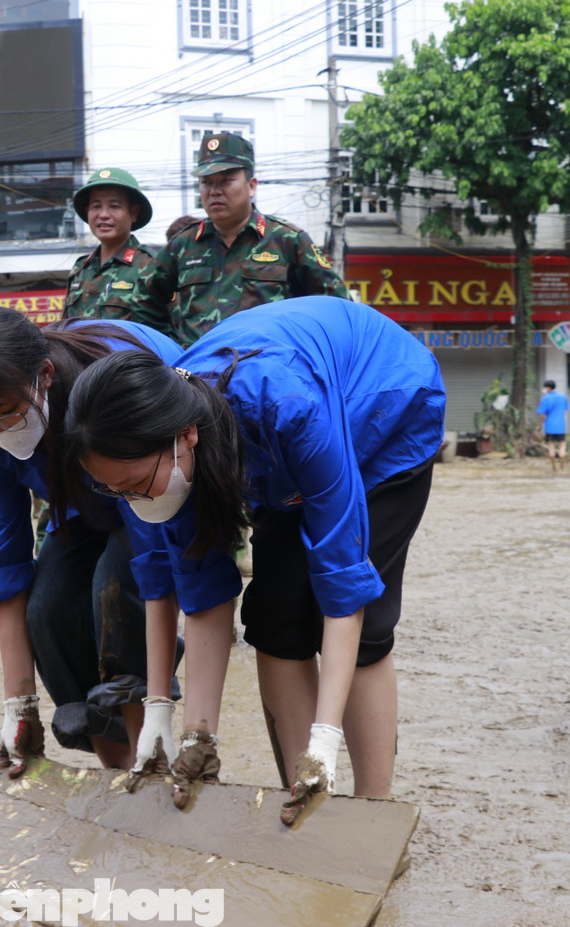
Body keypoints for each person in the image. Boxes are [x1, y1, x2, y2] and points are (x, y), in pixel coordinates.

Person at [64, 296, 445, 823]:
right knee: (274, 619)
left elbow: (343, 581)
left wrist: (326, 737)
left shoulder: (287, 406)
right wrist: (193, 733)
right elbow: (198, 587)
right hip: (271, 452)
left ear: (185, 437)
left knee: (364, 627)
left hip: (383, 408)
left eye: (134, 484)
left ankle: (374, 812)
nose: (132, 500)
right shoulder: (159, 461)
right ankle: (306, 797)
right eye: (114, 490)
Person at [0, 304, 183, 775]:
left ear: (44, 376)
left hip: (153, 489)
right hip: (81, 504)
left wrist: (158, 708)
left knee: (115, 589)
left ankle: (148, 758)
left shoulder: (108, 389)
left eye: (7, 413)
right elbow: (7, 557)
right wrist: (19, 707)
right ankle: (117, 767)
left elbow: (151, 558)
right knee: (48, 608)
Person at [135, 132, 348, 347]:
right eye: (206, 182)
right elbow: (144, 304)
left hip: (266, 364)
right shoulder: (182, 245)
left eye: (226, 180)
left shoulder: (287, 240)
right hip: (198, 366)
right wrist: (170, 350)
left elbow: (337, 307)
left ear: (251, 186)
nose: (214, 191)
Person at [61, 168, 164, 328]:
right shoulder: (80, 269)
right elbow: (65, 328)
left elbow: (166, 333)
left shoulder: (151, 267)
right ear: (87, 212)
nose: (103, 215)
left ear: (133, 213)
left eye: (114, 206)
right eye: (96, 206)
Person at [536, 380, 569, 473]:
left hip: (550, 426)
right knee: (562, 444)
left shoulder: (545, 399)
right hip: (561, 426)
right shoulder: (563, 397)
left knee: (551, 445)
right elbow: (565, 410)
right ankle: (562, 467)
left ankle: (554, 467)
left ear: (548, 388)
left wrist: (539, 425)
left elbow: (542, 414)